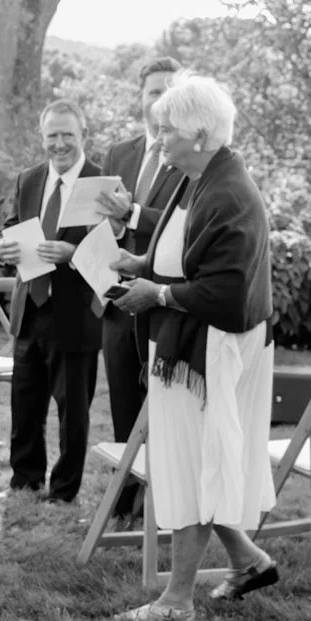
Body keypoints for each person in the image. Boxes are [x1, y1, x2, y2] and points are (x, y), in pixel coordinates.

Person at [109, 74, 279, 621]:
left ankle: (176, 600)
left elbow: (227, 293)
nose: (158, 140)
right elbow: (186, 248)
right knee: (188, 461)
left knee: (197, 464)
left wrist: (155, 291)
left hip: (210, 353)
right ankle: (248, 560)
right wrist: (144, 264)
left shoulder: (231, 194)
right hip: (185, 347)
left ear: (202, 135)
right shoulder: (196, 177)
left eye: (167, 131)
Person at [0, 100, 102, 504]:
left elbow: (115, 249)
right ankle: (25, 480)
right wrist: (1, 248)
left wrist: (73, 253)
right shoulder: (29, 178)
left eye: (67, 135)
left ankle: (64, 491)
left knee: (73, 411)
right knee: (25, 402)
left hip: (76, 314)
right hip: (31, 309)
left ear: (83, 136)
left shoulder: (101, 182)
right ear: (43, 138)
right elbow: (10, 228)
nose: (60, 144)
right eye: (52, 135)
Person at [93, 57, 188, 524]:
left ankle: (159, 500)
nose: (160, 99)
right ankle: (126, 498)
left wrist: (130, 215)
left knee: (163, 406)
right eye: (153, 91)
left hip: (163, 299)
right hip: (115, 297)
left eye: (169, 90)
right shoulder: (118, 154)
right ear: (141, 97)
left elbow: (180, 228)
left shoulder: (188, 157)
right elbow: (104, 223)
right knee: (123, 403)